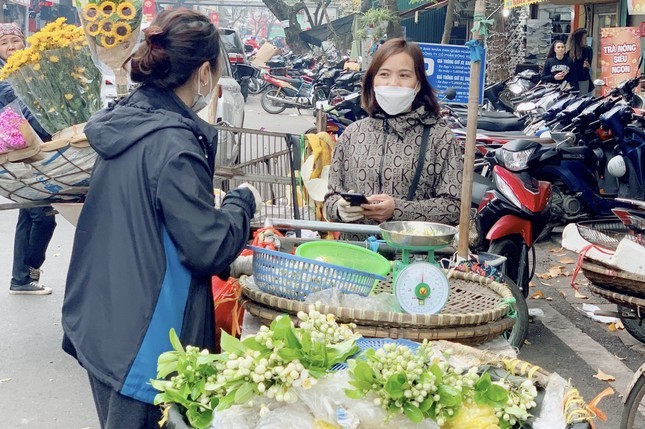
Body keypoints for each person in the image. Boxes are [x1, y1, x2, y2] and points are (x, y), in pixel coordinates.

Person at [61, 10, 261, 428]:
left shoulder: (130, 119)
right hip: (146, 342)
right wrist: (241, 203)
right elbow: (207, 247)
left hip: (103, 322)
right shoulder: (173, 144)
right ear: (204, 73)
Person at [323, 38, 463, 237]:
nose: (393, 83)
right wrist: (340, 208)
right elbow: (330, 198)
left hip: (413, 259)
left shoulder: (440, 137)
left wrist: (398, 210)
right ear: (372, 80)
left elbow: (454, 207)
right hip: (355, 256)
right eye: (384, 74)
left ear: (418, 83)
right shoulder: (352, 135)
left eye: (404, 75)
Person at [0, 22, 56, 295]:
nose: (11, 47)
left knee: (29, 213)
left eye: (14, 41)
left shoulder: (30, 69)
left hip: (33, 151)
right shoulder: (4, 77)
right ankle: (26, 275)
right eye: (4, 43)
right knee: (43, 214)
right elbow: (19, 113)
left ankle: (20, 277)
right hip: (17, 153)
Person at [567, 28, 594, 94]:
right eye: (584, 38)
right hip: (571, 80)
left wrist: (587, 67)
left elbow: (587, 67)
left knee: (582, 99)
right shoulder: (569, 52)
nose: (586, 40)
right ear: (579, 39)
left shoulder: (588, 50)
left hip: (583, 79)